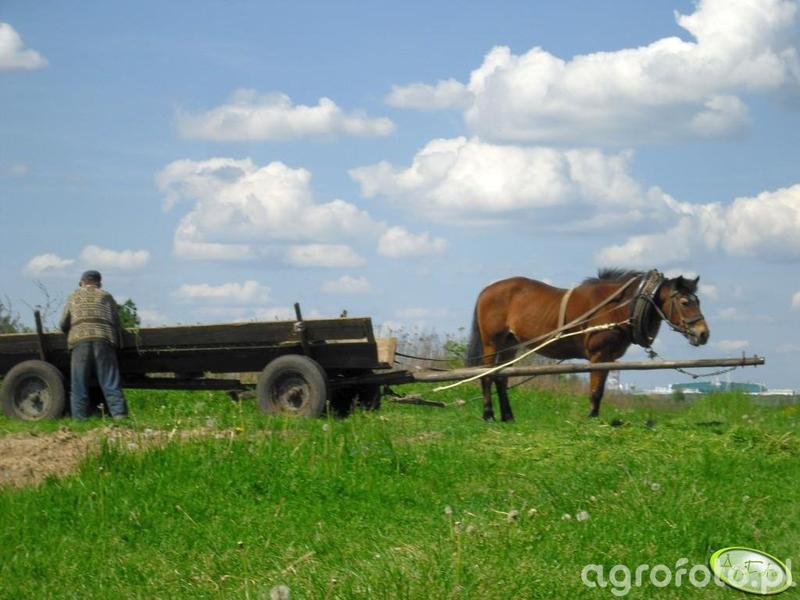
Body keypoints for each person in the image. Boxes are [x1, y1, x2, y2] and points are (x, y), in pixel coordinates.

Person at [59, 270, 129, 420]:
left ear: (82, 283)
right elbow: (117, 322)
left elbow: (63, 323)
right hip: (104, 340)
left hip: (80, 341)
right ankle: (120, 415)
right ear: (99, 283)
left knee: (79, 383)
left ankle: (79, 419)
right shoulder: (106, 296)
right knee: (110, 380)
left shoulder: (73, 296)